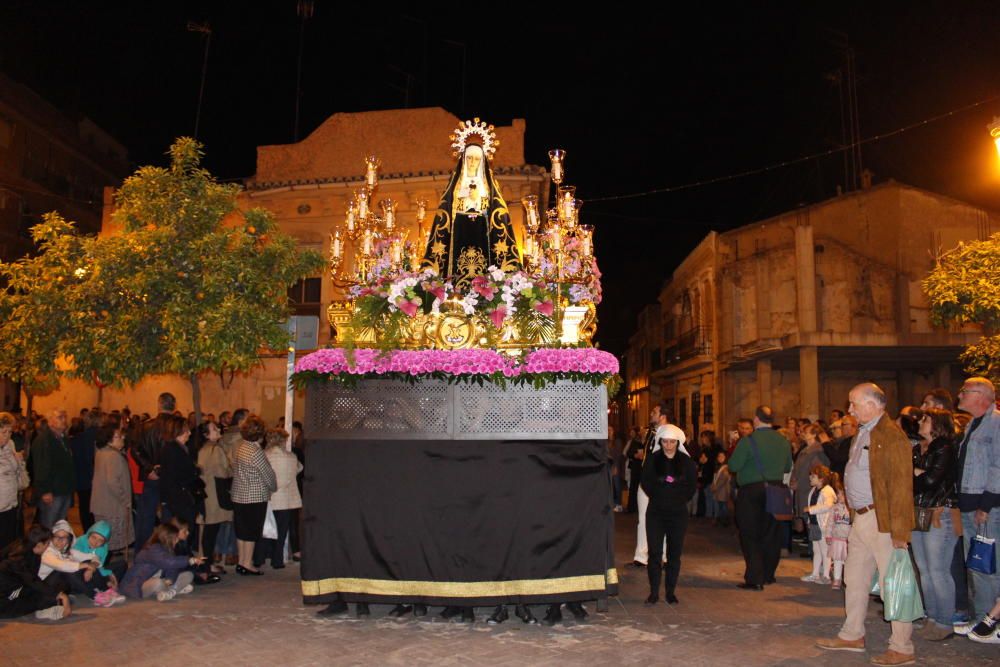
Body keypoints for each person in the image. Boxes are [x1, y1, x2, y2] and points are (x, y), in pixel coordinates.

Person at [816, 383, 915, 666]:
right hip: (861, 516)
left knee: (892, 583)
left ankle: (902, 646)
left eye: (854, 404)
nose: (850, 410)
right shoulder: (864, 431)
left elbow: (900, 486)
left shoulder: (891, 436)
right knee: (855, 578)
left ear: (872, 405)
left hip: (881, 519)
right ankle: (852, 634)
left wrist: (899, 532)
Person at [422, 139, 521, 290]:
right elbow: (447, 211)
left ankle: (485, 292)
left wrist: (478, 200)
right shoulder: (456, 186)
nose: (473, 162)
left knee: (483, 271)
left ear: (481, 161)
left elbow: (497, 213)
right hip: (459, 232)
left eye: (476, 158)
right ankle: (454, 291)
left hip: (482, 233)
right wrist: (466, 196)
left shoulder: (488, 186)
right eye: (469, 158)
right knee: (457, 269)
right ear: (463, 159)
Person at [727, 405, 792, 591]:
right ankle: (768, 574)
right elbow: (787, 467)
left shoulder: (748, 441)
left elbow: (733, 465)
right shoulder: (783, 441)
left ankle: (755, 578)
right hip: (776, 489)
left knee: (750, 534)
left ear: (756, 420)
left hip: (752, 491)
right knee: (772, 534)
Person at [910, 407, 958, 641]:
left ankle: (945, 621)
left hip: (940, 511)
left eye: (925, 419)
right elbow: (911, 479)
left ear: (937, 423)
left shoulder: (945, 448)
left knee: (938, 570)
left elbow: (930, 480)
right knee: (925, 570)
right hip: (919, 512)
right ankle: (932, 616)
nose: (920, 422)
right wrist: (917, 473)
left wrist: (917, 473)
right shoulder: (919, 449)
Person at [954, 377, 1000, 623]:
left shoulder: (996, 423)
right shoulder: (973, 424)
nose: (959, 395)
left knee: (988, 566)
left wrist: (986, 504)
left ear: (981, 395)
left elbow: (998, 467)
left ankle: (989, 622)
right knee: (975, 566)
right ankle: (980, 618)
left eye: (964, 391)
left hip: (987, 509)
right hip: (969, 506)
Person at [641, 423, 696, 605]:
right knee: (655, 553)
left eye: (672, 442)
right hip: (656, 512)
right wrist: (659, 493)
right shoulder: (653, 459)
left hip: (678, 513)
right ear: (661, 442)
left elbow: (691, 486)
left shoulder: (686, 462)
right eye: (665, 442)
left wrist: (678, 497)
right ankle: (654, 591)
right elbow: (646, 482)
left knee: (674, 554)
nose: (669, 445)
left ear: (678, 442)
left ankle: (670, 591)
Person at [230, 415, 276, 575]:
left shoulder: (241, 447)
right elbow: (268, 475)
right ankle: (248, 564)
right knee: (251, 531)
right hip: (254, 497)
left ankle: (241, 561)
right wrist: (273, 487)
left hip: (238, 495)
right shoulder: (256, 452)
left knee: (241, 531)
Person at [40, 519, 122, 607]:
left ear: (69, 539)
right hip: (46, 587)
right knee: (70, 571)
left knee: (120, 564)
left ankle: (105, 589)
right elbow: (61, 565)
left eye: (64, 538)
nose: (60, 541)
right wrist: (85, 565)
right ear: (51, 537)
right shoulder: (46, 552)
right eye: (57, 537)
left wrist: (93, 565)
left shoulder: (67, 550)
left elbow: (92, 557)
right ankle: (95, 595)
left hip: (67, 584)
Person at [132, 392, 177, 549]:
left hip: (150, 478)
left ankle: (141, 553)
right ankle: (168, 551)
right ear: (174, 405)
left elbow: (135, 450)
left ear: (159, 404)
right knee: (170, 517)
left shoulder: (145, 426)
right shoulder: (178, 426)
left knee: (146, 517)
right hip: (172, 478)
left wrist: (149, 468)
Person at [253, 428, 301, 570]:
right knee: (281, 531)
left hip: (267, 497)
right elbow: (298, 469)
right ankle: (277, 560)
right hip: (285, 499)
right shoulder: (291, 457)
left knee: (263, 529)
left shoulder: (263, 455)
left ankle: (259, 558)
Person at [0, 527, 71, 620]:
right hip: (7, 602)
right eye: (48, 543)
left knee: (58, 578)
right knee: (50, 595)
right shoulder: (17, 559)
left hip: (22, 589)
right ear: (39, 544)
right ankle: (44, 608)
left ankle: (47, 606)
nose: (49, 546)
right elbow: (32, 581)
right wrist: (61, 595)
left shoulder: (30, 550)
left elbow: (33, 580)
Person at [119, 522, 204, 601]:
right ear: (167, 538)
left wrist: (170, 579)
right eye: (175, 538)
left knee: (188, 575)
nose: (177, 540)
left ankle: (170, 592)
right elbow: (168, 562)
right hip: (136, 585)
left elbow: (172, 567)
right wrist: (190, 560)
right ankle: (175, 589)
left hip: (157, 582)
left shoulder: (167, 549)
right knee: (158, 583)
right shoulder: (153, 549)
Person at [158, 415, 201, 555]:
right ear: (177, 431)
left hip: (178, 497)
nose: (189, 433)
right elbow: (180, 475)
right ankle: (182, 562)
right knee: (183, 533)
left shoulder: (178, 448)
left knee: (183, 532)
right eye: (186, 430)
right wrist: (196, 470)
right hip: (179, 499)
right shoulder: (174, 450)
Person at [91, 422, 134, 554]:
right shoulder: (113, 456)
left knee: (102, 540)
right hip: (112, 506)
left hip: (102, 504)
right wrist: (126, 500)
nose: (123, 438)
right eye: (119, 436)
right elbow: (113, 482)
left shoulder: (101, 452)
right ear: (109, 439)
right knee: (109, 543)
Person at [196, 420, 231, 574]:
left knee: (206, 530)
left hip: (206, 493)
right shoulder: (215, 449)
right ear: (206, 434)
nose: (218, 430)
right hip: (215, 494)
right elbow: (222, 472)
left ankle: (205, 561)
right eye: (214, 429)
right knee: (211, 531)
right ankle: (207, 564)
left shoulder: (203, 449)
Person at [31, 409, 75, 529]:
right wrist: (45, 490)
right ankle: (47, 547)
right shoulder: (43, 440)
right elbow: (40, 467)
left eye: (65, 417)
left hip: (63, 489)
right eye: (60, 417)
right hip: (52, 492)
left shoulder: (63, 438)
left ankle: (58, 547)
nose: (64, 420)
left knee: (60, 526)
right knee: (48, 526)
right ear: (50, 421)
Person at [800, 465, 836, 584]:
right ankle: (815, 574)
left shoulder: (828, 490)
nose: (810, 477)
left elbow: (828, 506)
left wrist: (811, 509)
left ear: (821, 479)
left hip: (824, 526)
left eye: (813, 476)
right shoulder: (814, 490)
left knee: (825, 551)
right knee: (817, 550)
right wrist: (810, 521)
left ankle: (826, 576)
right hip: (816, 525)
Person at [0, 412, 28, 549]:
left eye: (10, 432)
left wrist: (20, 461)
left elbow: (18, 471)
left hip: (11, 503)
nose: (7, 436)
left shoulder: (10, 445)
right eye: (3, 432)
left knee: (8, 544)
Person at [70, 410, 100, 531]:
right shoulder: (101, 437)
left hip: (82, 480)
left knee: (84, 509)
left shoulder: (78, 439)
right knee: (96, 510)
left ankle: (88, 533)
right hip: (97, 480)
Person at [827, 477, 850, 590]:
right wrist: (828, 534)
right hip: (837, 538)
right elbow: (830, 522)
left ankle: (848, 580)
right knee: (837, 559)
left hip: (847, 539)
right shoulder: (834, 508)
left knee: (848, 561)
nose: (840, 496)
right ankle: (837, 578)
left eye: (842, 494)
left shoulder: (851, 509)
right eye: (838, 494)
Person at [624, 426, 644, 513]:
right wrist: (635, 455)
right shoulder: (635, 442)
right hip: (636, 466)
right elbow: (628, 453)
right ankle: (632, 508)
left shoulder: (647, 442)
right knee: (633, 487)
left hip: (643, 467)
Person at [709, 450, 731, 526]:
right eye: (719, 456)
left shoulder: (725, 467)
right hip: (719, 491)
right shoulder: (718, 467)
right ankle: (721, 521)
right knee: (720, 506)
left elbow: (723, 479)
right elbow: (715, 479)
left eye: (722, 456)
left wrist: (715, 487)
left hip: (723, 491)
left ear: (725, 457)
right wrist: (713, 485)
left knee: (723, 506)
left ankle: (725, 521)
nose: (720, 458)